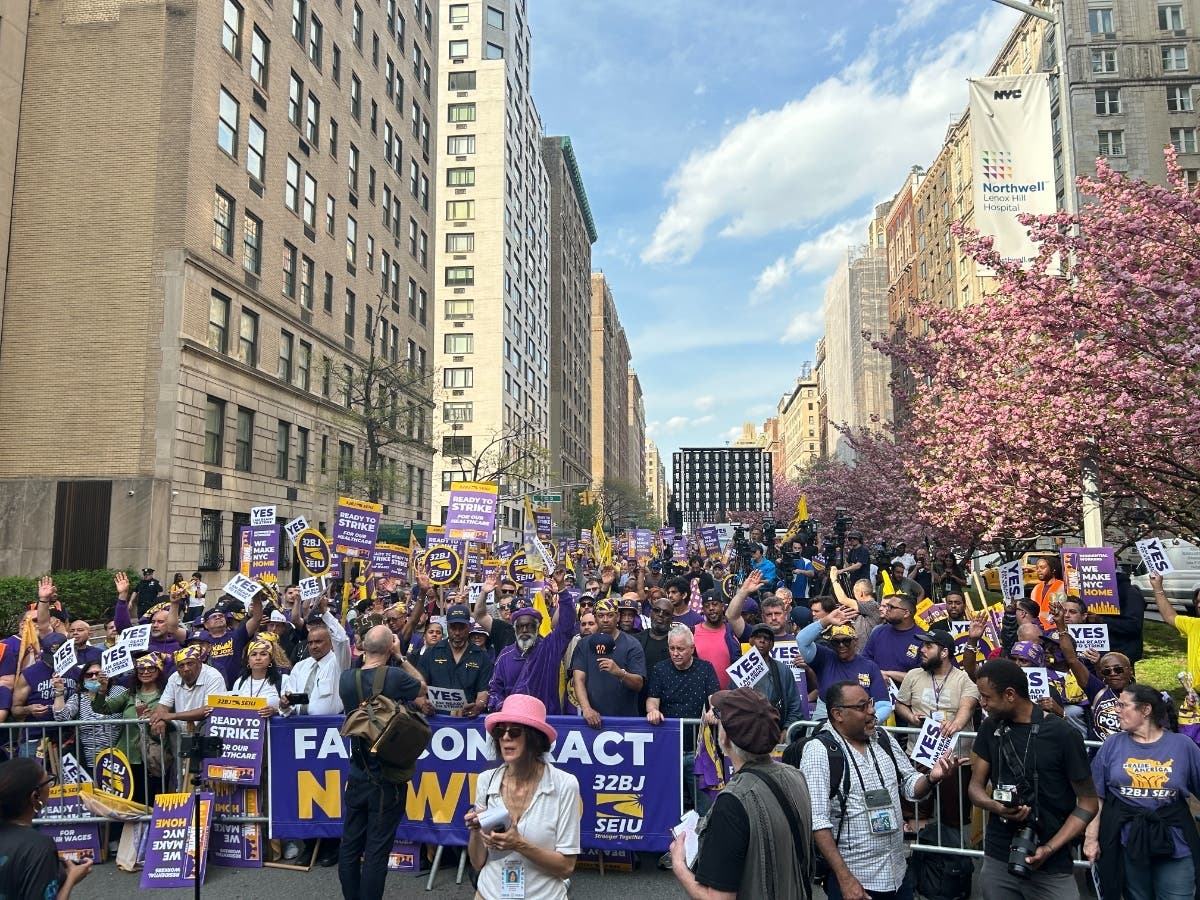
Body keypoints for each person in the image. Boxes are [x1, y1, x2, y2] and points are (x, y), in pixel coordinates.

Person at [800, 680, 963, 900]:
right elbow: (818, 821)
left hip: (898, 875)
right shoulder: (819, 751)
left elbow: (910, 785)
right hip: (856, 882)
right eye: (861, 707)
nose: (872, 711)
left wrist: (931, 778)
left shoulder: (883, 738)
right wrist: (845, 878)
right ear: (838, 714)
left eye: (870, 703)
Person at [968, 658, 1098, 900]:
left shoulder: (1062, 734)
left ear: (1009, 694)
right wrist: (995, 806)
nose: (982, 704)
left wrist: (1049, 849)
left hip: (1052, 862)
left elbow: (1088, 803)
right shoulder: (990, 728)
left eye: (986, 697)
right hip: (999, 856)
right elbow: (975, 788)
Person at [671, 686, 814, 900]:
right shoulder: (796, 776)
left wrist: (679, 865)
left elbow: (717, 898)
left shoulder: (732, 801)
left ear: (726, 737)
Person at [1084, 684, 1200, 900]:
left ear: (1145, 710)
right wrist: (1091, 838)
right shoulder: (1112, 744)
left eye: (1123, 705)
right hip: (1127, 843)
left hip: (1174, 843)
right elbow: (1096, 796)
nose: (1116, 710)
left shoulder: (1183, 746)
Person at [465, 694, 580, 900]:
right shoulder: (486, 781)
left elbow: (566, 867)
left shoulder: (564, 785)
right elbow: (478, 862)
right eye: (500, 731)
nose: (506, 738)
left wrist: (519, 844)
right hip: (488, 894)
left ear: (534, 738)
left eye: (515, 731)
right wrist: (475, 831)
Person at [337, 624, 423, 900]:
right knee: (376, 851)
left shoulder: (346, 679)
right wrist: (402, 656)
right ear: (389, 647)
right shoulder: (396, 676)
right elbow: (421, 687)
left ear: (362, 647)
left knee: (350, 847)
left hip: (358, 773)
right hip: (388, 778)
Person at [646, 625, 721, 817]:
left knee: (705, 807)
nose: (676, 653)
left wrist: (714, 710)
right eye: (672, 648)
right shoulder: (660, 669)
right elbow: (652, 700)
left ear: (692, 648)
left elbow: (715, 698)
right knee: (666, 806)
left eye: (680, 649)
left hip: (697, 750)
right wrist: (653, 711)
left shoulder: (705, 668)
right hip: (668, 749)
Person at [0, 758, 92, 898]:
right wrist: (72, 878)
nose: (51, 786)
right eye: (48, 781)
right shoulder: (39, 846)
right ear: (35, 797)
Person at [90, 652, 169, 803]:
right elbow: (103, 708)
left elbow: (171, 724)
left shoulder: (167, 695)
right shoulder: (129, 694)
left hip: (153, 759)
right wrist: (101, 691)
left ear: (159, 670)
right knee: (127, 802)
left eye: (150, 668)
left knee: (150, 801)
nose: (145, 672)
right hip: (127, 758)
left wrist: (156, 718)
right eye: (141, 669)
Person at [488, 588, 577, 714]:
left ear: (538, 627)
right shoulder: (505, 656)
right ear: (515, 629)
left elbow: (567, 625)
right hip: (514, 721)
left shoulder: (549, 648)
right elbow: (495, 689)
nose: (524, 630)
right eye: (520, 626)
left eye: (529, 625)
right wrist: (502, 708)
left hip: (545, 721)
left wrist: (562, 590)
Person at [150, 644, 227, 788]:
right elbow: (162, 706)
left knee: (204, 780)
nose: (185, 669)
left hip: (206, 737)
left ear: (199, 663)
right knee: (180, 777)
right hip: (182, 736)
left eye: (190, 663)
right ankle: (183, 808)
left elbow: (207, 710)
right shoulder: (174, 677)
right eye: (181, 665)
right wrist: (160, 719)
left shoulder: (213, 676)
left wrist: (171, 716)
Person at [797, 609, 892, 722]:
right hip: (826, 720)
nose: (841, 645)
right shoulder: (825, 657)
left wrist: (870, 721)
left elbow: (884, 704)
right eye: (836, 642)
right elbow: (801, 640)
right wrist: (826, 620)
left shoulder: (869, 666)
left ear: (855, 641)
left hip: (859, 723)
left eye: (846, 641)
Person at [570, 598, 645, 727]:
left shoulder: (632, 644)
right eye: (600, 615)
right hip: (592, 719)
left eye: (610, 615)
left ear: (618, 617)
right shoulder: (584, 644)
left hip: (625, 721)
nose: (605, 620)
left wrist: (620, 673)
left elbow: (639, 684)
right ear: (595, 617)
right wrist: (587, 709)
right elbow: (578, 680)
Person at [415, 604, 493, 718]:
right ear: (447, 626)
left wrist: (478, 706)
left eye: (461, 627)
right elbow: (418, 688)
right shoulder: (430, 654)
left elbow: (483, 691)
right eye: (453, 627)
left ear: (469, 627)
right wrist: (423, 705)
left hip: (467, 721)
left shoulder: (481, 657)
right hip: (436, 720)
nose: (457, 632)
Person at [52, 659, 127, 768]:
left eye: (98, 674)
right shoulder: (78, 698)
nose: (94, 677)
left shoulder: (120, 692)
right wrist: (59, 691)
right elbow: (61, 718)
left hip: (119, 760)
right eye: (89, 675)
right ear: (83, 679)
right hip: (88, 761)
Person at [747, 624, 804, 737]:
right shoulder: (739, 670)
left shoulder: (783, 670)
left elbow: (795, 706)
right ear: (751, 641)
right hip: (746, 733)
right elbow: (731, 703)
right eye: (758, 637)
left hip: (776, 732)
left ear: (772, 645)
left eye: (767, 638)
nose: (762, 641)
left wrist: (787, 730)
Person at [862, 592, 929, 684]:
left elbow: (922, 677)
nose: (887, 610)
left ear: (906, 613)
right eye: (887, 606)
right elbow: (865, 661)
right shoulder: (878, 632)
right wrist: (876, 674)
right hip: (877, 690)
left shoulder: (923, 639)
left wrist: (886, 674)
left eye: (891, 607)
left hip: (908, 694)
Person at [230, 638, 284, 713]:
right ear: (248, 660)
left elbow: (293, 709)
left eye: (263, 654)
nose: (258, 658)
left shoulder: (283, 680)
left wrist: (276, 711)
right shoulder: (239, 682)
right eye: (254, 654)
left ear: (270, 659)